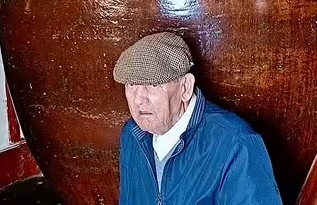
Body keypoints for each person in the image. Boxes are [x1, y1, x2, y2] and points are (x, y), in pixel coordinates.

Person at [114, 32, 283, 205]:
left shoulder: (235, 143)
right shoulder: (132, 134)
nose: (139, 99)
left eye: (153, 85)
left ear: (185, 87)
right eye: (131, 85)